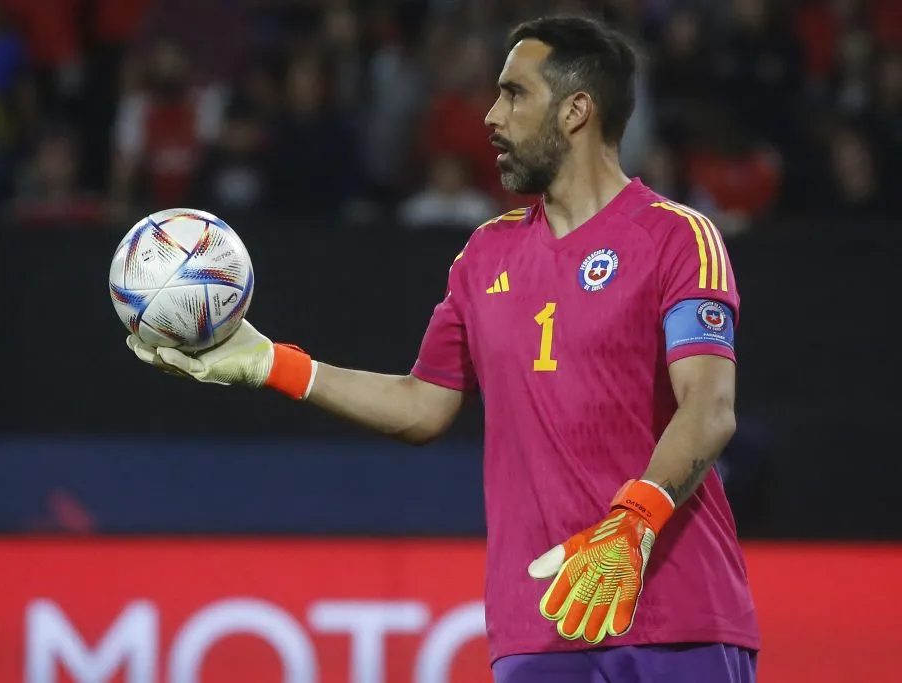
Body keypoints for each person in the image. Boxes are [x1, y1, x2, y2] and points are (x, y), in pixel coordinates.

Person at [127, 15, 759, 683]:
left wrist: (634, 522)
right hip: (540, 627)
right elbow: (422, 405)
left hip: (677, 617)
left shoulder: (677, 238)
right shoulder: (486, 255)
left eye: (514, 94)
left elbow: (708, 408)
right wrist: (272, 364)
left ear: (577, 110)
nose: (491, 116)